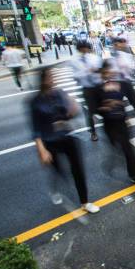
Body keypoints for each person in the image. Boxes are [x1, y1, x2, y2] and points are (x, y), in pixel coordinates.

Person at [30, 67, 100, 213]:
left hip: (67, 136)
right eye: (49, 76)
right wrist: (42, 150)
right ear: (42, 80)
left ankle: (85, 202)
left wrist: (73, 108)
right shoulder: (35, 101)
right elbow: (35, 129)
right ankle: (54, 188)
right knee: (58, 170)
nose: (52, 79)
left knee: (78, 170)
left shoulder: (59, 93)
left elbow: (69, 114)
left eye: (52, 76)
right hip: (50, 141)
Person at [96, 60, 135, 185]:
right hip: (108, 124)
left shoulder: (123, 84)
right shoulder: (98, 88)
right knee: (117, 148)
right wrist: (106, 107)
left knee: (128, 149)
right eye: (105, 72)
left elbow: (134, 101)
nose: (108, 74)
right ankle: (115, 159)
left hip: (122, 121)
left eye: (110, 70)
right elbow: (95, 108)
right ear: (102, 73)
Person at [70, 41, 102, 141]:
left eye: (86, 48)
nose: (85, 51)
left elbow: (101, 70)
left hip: (98, 86)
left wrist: (96, 70)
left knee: (104, 107)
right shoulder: (74, 61)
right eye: (82, 49)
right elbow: (75, 76)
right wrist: (87, 71)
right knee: (90, 112)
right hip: (87, 88)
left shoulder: (94, 58)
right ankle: (93, 132)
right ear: (79, 49)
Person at [109, 37, 135, 120]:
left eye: (118, 44)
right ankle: (122, 117)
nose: (117, 46)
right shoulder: (113, 55)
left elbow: (132, 67)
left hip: (126, 82)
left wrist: (134, 72)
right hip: (117, 83)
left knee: (133, 100)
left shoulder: (125, 55)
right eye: (115, 44)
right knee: (118, 103)